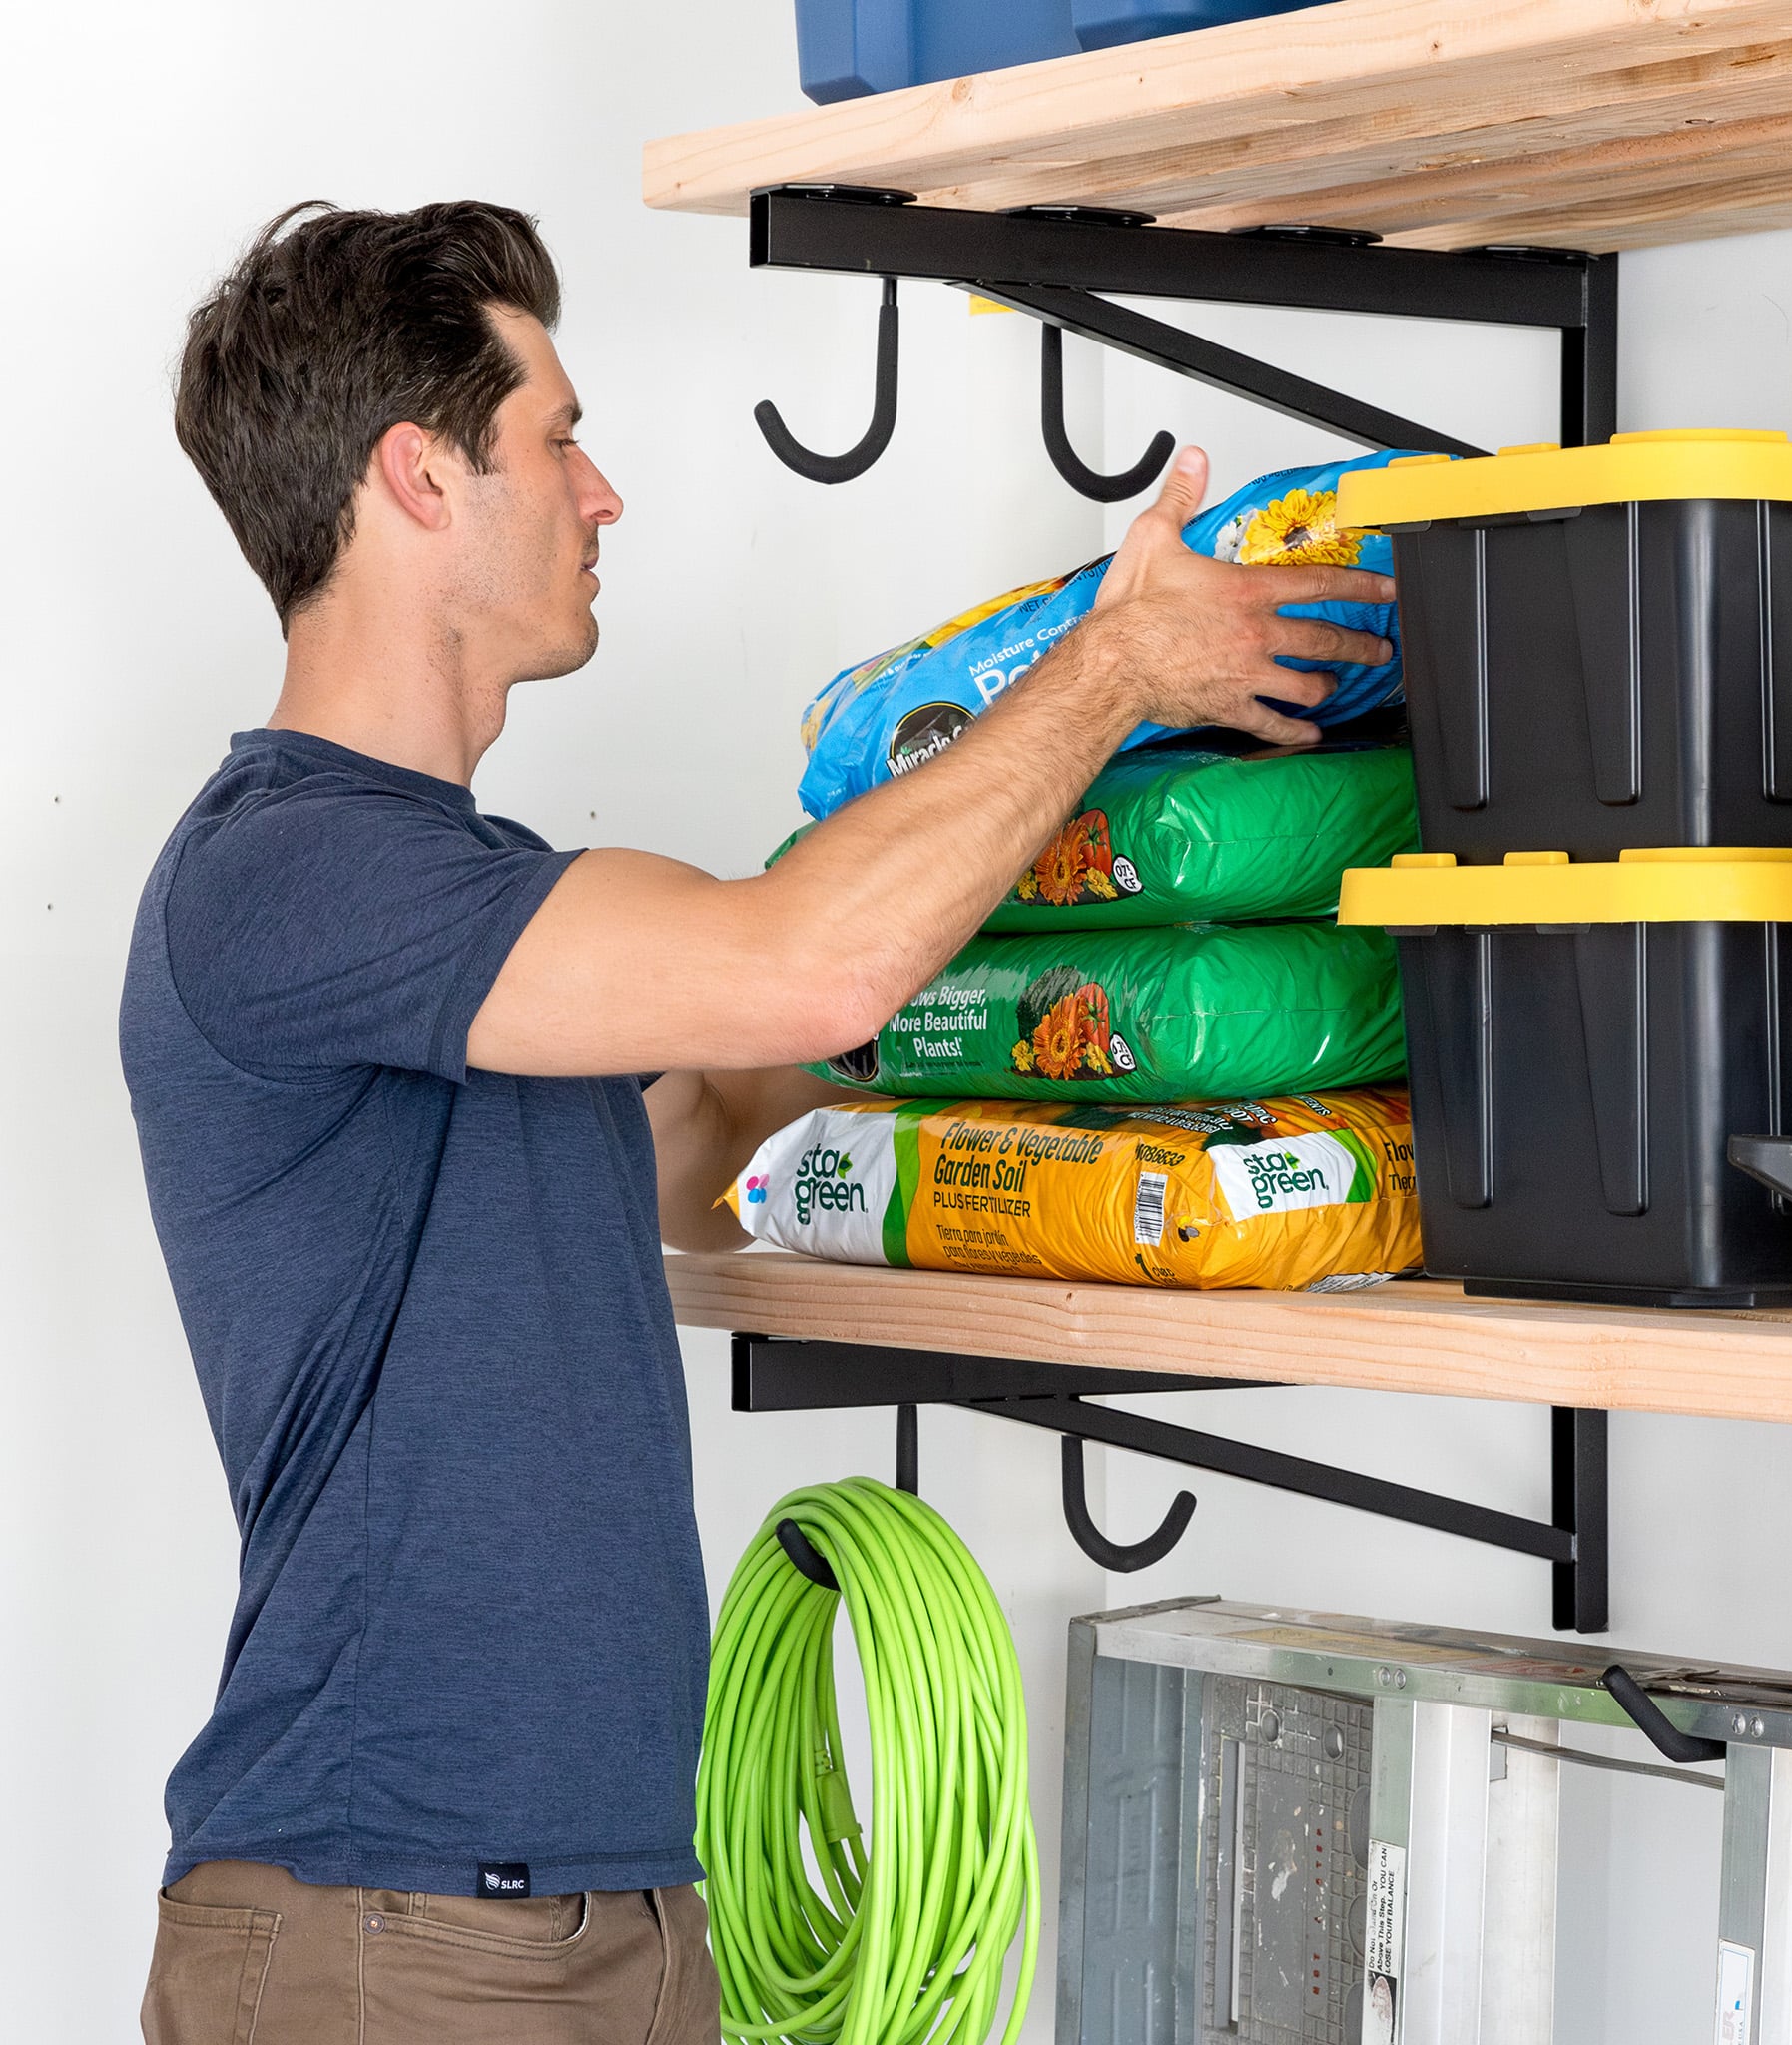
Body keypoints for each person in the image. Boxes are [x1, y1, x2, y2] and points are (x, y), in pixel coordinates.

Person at [124, 199, 1395, 2044]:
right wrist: (1108, 668)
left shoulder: (488, 921)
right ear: (418, 480)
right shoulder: (291, 877)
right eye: (556, 438)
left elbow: (732, 1119)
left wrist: (1139, 1033)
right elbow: (808, 975)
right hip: (385, 1927)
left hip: (610, 1918)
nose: (603, 492)